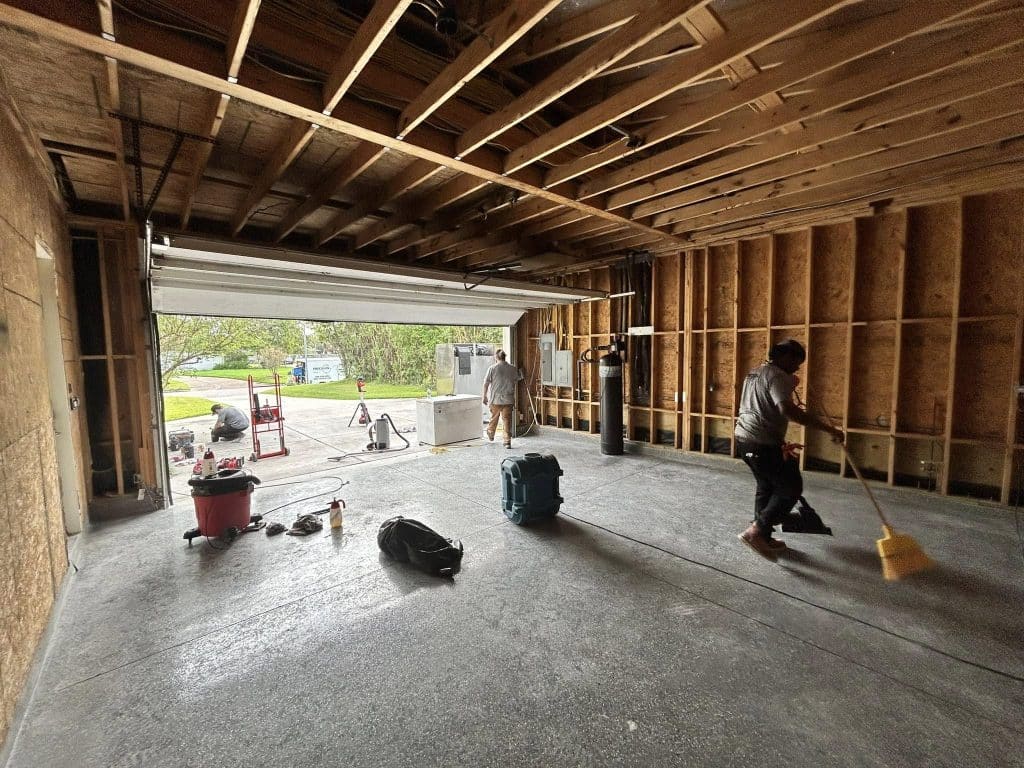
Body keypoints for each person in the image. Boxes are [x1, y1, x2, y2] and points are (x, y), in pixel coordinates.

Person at [734, 339, 843, 559]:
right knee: (790, 487)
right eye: (796, 362)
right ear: (786, 357)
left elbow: (761, 406)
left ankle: (762, 536)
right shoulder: (777, 376)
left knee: (766, 485)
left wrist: (778, 441)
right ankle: (755, 531)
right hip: (761, 442)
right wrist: (828, 429)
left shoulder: (755, 373)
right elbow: (788, 411)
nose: (797, 367)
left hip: (745, 439)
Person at [482, 349, 519, 449]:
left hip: (496, 399)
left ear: (496, 357)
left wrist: (484, 396)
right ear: (504, 357)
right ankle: (507, 441)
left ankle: (490, 432)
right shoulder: (513, 368)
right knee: (507, 420)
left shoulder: (492, 368)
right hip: (508, 399)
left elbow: (486, 383)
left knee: (494, 417)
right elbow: (516, 379)